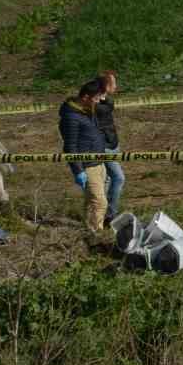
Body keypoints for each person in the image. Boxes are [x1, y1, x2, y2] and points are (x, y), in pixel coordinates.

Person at [59, 79, 111, 239]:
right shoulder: (71, 117)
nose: (98, 101)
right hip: (87, 166)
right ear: (86, 97)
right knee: (100, 202)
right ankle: (97, 235)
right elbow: (70, 146)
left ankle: (87, 229)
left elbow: (108, 107)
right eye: (96, 98)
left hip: (98, 162)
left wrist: (104, 90)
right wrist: (78, 170)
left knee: (91, 201)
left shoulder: (87, 109)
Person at [93, 69, 125, 226]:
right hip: (104, 146)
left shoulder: (103, 101)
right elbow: (108, 107)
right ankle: (111, 214)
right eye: (113, 83)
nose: (116, 86)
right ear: (105, 86)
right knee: (119, 178)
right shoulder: (96, 104)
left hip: (112, 143)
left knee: (106, 179)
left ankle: (101, 213)